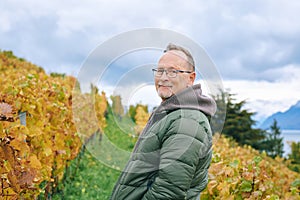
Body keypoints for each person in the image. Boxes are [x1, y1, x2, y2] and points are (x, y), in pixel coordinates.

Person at [110, 43, 216, 200]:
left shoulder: (187, 122)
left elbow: (167, 193)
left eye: (173, 72)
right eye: (160, 71)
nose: (164, 77)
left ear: (190, 78)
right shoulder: (172, 113)